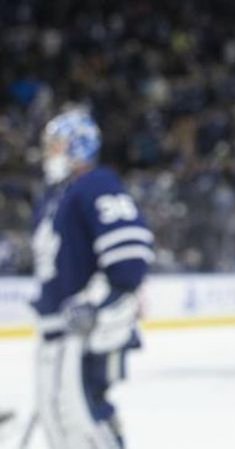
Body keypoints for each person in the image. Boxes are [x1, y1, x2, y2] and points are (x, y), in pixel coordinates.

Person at [31, 108, 153, 449]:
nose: (49, 153)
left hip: (84, 329)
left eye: (57, 145)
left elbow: (129, 256)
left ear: (79, 146)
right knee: (59, 421)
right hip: (58, 329)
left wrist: (102, 304)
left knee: (83, 417)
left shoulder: (96, 185)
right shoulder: (56, 196)